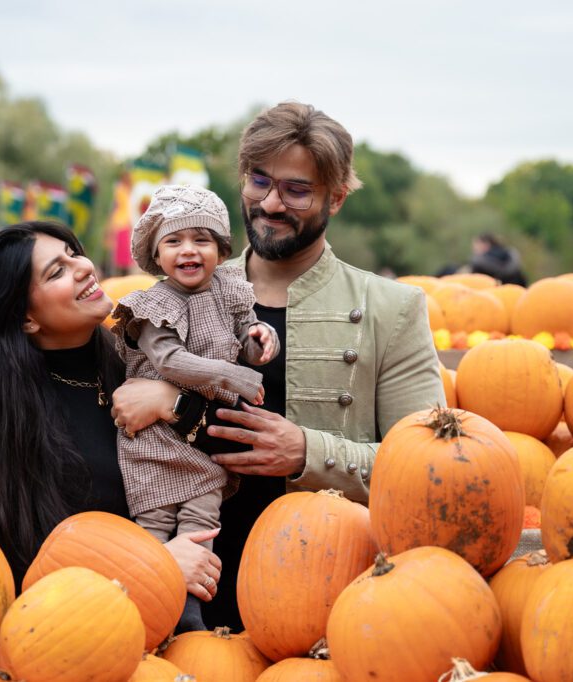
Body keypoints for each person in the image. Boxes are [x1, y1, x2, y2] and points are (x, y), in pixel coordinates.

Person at [197, 101, 446, 628]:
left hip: (332, 593)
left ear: (336, 198)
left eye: (296, 189)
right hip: (195, 585)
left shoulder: (390, 309)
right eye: (258, 181)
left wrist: (307, 452)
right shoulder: (185, 296)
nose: (271, 203)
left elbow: (427, 473)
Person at [0, 221, 223, 608]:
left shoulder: (146, 354)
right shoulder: (17, 424)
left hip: (209, 613)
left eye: (72, 254)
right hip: (104, 630)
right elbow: (32, 567)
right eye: (57, 271)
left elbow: (236, 446)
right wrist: (157, 565)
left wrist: (174, 403)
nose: (83, 266)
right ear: (26, 319)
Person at [113, 185, 278, 629]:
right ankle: (141, 616)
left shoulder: (230, 290)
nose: (189, 251)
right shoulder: (152, 307)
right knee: (153, 526)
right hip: (154, 439)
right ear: (157, 253)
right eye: (174, 241)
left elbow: (246, 336)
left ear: (221, 250)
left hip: (201, 439)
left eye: (201, 240)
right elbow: (170, 361)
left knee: (201, 523)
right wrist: (235, 377)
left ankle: (189, 619)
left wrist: (261, 342)